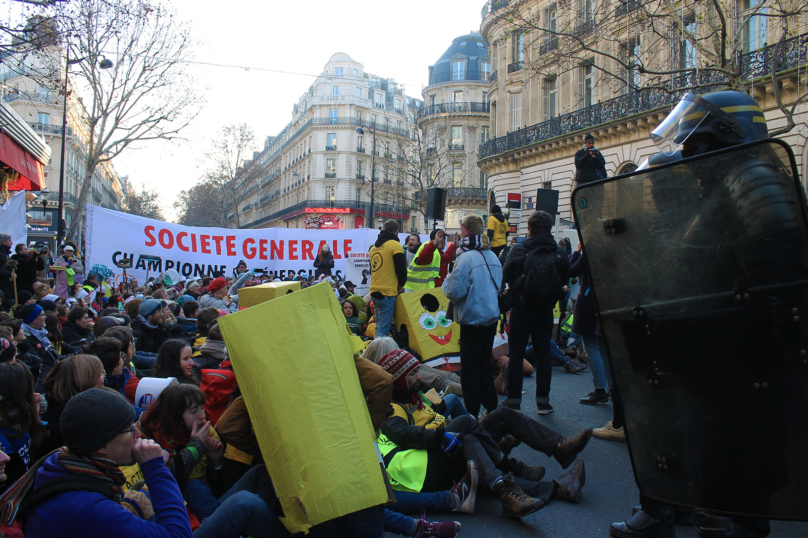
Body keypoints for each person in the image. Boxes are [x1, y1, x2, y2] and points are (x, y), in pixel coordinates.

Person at [378, 350, 587, 520]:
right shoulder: (391, 407)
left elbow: (438, 412)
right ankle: (513, 471)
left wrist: (443, 410)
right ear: (398, 379)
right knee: (467, 431)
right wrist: (441, 436)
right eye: (413, 374)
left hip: (443, 445)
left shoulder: (415, 395)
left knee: (502, 415)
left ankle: (558, 449)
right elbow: (402, 433)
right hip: (426, 465)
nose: (420, 376)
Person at [6, 388, 194, 538]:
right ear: (103, 445)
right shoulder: (86, 508)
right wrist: (155, 468)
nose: (138, 435)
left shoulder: (59, 461)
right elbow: (179, 535)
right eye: (130, 430)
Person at [500, 211, 570, 415]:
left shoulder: (519, 249)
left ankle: (513, 400)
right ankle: (543, 403)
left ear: (529, 229)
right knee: (543, 356)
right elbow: (564, 279)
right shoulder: (558, 253)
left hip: (521, 309)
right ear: (549, 228)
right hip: (546, 311)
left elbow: (505, 274)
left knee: (515, 355)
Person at [442, 215, 502, 418]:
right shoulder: (492, 256)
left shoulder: (465, 258)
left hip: (473, 320)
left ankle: (472, 412)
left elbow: (453, 291)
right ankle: (492, 408)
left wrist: (447, 280)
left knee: (469, 369)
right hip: (490, 318)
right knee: (484, 366)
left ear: (465, 230)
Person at [39, 354, 105, 455]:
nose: (104, 378)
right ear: (85, 380)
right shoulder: (75, 420)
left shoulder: (59, 409)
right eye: (101, 374)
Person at [0, 362, 44, 489]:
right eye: (30, 390)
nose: (37, 395)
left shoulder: (17, 422)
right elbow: (13, 477)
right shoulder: (3, 436)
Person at [369, 220, 407, 339]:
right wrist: (401, 284)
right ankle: (379, 355)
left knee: (379, 326)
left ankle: (375, 350)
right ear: (397, 232)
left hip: (375, 290)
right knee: (383, 329)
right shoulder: (395, 245)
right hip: (387, 292)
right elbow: (401, 268)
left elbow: (372, 270)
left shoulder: (374, 248)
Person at [0, 234, 14, 310]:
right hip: (2, 284)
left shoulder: (5, 253)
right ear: (3, 241)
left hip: (6, 284)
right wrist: (9, 274)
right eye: (9, 240)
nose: (11, 243)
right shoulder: (1, 253)